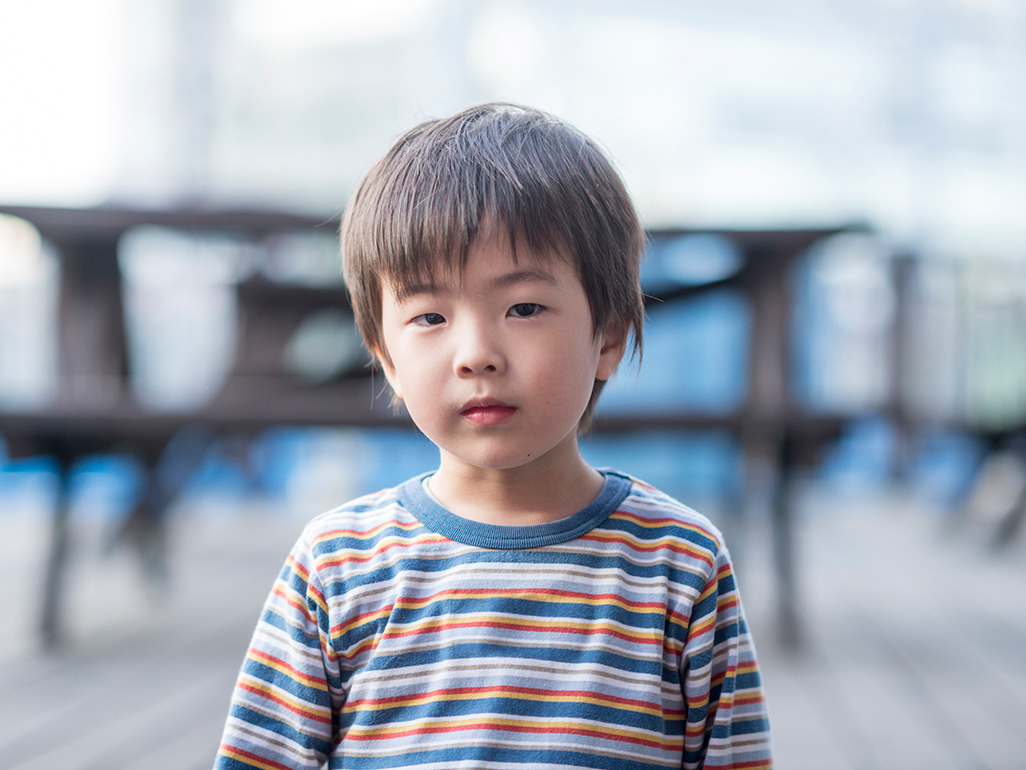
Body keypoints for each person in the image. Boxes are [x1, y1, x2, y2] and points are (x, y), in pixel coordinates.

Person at [214, 103, 771, 770]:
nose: (475, 353)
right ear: (385, 357)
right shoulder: (337, 567)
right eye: (429, 316)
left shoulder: (678, 564)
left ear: (609, 336)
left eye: (524, 308)